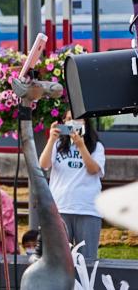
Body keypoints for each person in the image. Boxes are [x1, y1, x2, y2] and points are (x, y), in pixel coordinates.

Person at [39, 111, 105, 262]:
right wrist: (51, 139)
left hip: (87, 208)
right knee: (59, 260)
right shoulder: (57, 144)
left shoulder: (97, 146)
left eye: (77, 119)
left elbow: (93, 169)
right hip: (60, 207)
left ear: (86, 123)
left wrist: (81, 146)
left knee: (86, 261)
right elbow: (43, 164)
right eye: (68, 119)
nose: (72, 123)